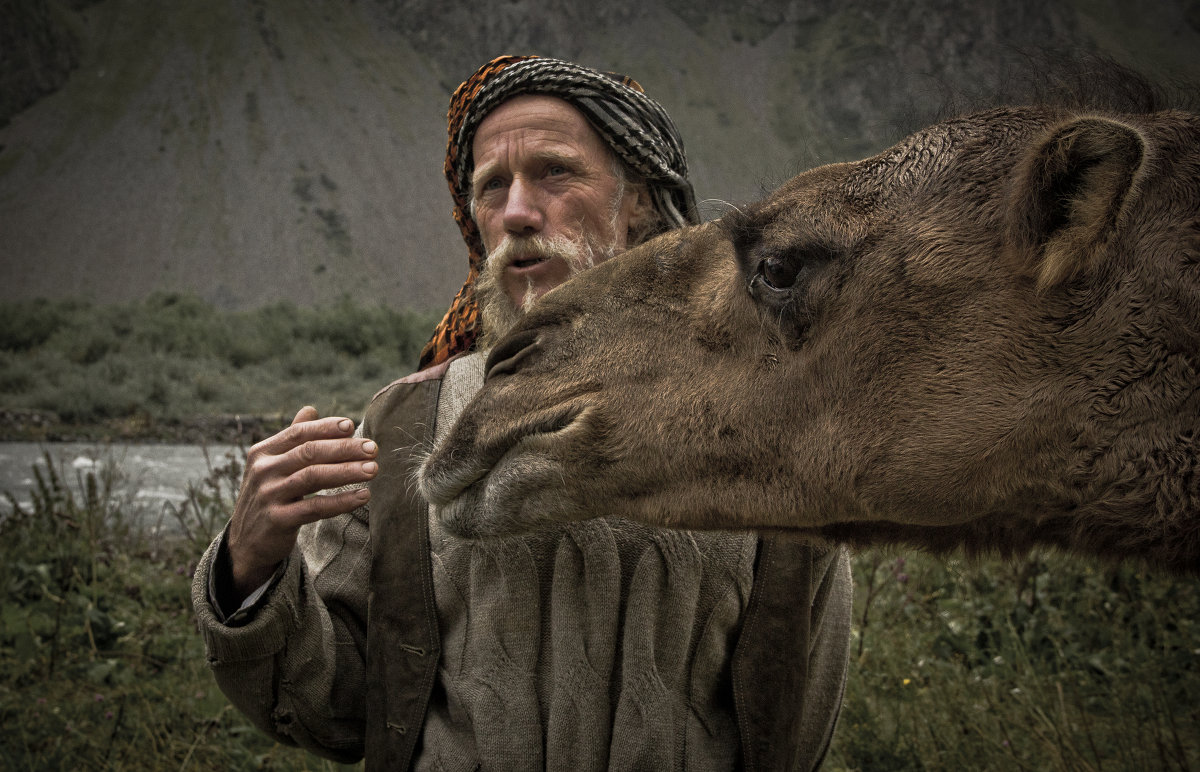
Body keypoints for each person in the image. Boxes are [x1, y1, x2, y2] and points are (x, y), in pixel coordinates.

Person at [192, 55, 853, 772]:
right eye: (492, 187)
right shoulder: (408, 424)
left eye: (555, 173)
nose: (516, 212)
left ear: (637, 199)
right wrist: (250, 565)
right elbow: (340, 710)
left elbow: (792, 727)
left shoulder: (766, 425)